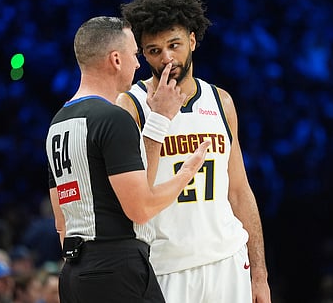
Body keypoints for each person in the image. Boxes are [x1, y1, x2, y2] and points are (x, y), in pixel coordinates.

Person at [117, 0, 271, 303]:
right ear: (143, 54)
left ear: (192, 40)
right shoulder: (130, 105)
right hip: (165, 267)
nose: (167, 58)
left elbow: (239, 192)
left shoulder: (221, 102)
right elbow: (130, 198)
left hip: (228, 260)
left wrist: (259, 275)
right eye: (154, 50)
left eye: (174, 44)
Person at [45, 16, 210, 303]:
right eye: (134, 55)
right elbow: (141, 209)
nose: (138, 64)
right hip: (117, 267)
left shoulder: (58, 123)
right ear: (116, 60)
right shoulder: (113, 118)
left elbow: (61, 221)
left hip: (73, 272)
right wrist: (188, 172)